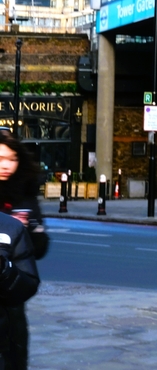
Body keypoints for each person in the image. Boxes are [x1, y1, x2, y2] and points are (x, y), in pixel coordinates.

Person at [0, 130, 47, 370]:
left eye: (12, 159)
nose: (6, 165)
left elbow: (37, 252)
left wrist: (31, 231)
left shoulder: (24, 195)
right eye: (0, 159)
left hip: (10, 303)